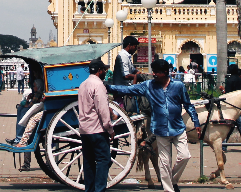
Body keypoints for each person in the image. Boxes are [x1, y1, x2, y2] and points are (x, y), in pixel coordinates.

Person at [109, 59, 200, 192]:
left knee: (185, 156)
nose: (154, 74)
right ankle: (169, 189)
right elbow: (129, 89)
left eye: (156, 72)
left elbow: (188, 105)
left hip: (178, 128)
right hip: (160, 129)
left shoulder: (178, 86)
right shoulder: (148, 86)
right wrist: (108, 87)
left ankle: (172, 180)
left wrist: (196, 122)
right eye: (153, 71)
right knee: (164, 163)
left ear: (165, 72)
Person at [78, 58, 116, 192]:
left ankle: (90, 189)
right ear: (99, 71)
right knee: (103, 160)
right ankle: (99, 189)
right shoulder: (99, 85)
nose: (105, 72)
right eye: (104, 70)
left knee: (88, 161)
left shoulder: (83, 84)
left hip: (84, 129)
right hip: (97, 129)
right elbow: (102, 109)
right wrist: (109, 129)